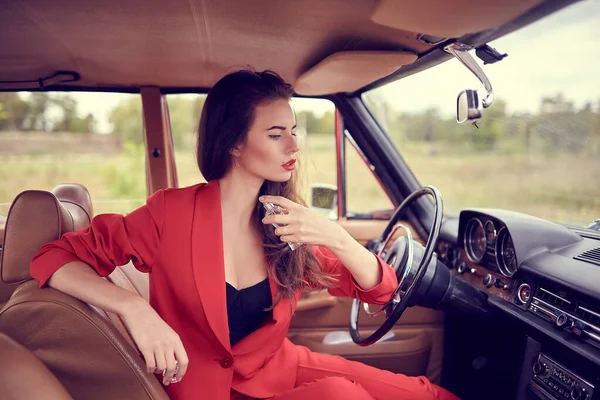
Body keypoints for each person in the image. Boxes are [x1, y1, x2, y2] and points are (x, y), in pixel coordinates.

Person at [30, 70, 458, 400]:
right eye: (276, 135)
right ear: (234, 144)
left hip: (276, 369)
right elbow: (52, 257)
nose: (293, 147)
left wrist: (335, 237)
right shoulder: (170, 213)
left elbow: (380, 290)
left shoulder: (284, 220)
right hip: (203, 389)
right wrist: (133, 309)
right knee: (342, 395)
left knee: (429, 394)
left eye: (294, 131)